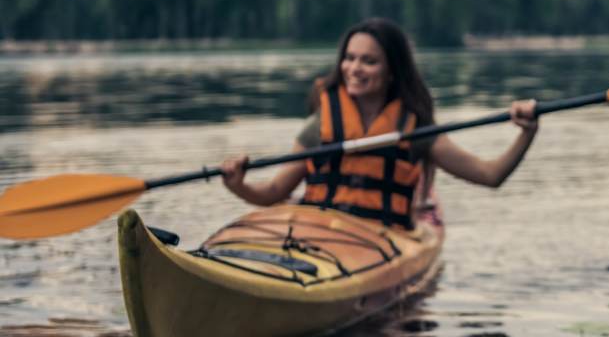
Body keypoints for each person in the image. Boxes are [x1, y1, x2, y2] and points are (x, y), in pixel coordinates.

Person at [221, 18, 538, 230]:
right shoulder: (321, 126)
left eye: (368, 61)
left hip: (380, 240)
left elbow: (490, 175)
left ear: (392, 71)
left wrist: (526, 133)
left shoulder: (416, 131)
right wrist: (238, 184)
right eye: (350, 58)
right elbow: (274, 190)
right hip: (315, 233)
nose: (354, 68)